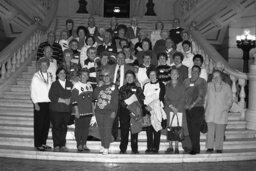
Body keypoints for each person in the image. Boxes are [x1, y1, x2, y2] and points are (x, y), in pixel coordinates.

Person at [205, 70, 233, 153]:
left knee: (220, 132)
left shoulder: (226, 86)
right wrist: (204, 109)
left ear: (221, 77)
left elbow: (230, 99)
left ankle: (219, 147)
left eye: (217, 76)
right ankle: (209, 147)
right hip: (210, 112)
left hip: (221, 112)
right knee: (210, 132)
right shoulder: (209, 85)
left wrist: (226, 107)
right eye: (214, 76)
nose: (215, 78)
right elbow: (205, 98)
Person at [93, 69, 119, 155]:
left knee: (107, 129)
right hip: (99, 111)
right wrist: (98, 87)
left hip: (109, 111)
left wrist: (114, 111)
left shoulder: (114, 86)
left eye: (107, 75)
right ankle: (103, 144)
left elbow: (116, 100)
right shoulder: (100, 86)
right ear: (102, 77)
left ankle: (106, 147)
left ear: (110, 77)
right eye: (104, 76)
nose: (106, 77)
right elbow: (94, 96)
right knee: (101, 129)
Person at [30, 57, 53, 151]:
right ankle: (38, 143)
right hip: (39, 103)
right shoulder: (36, 76)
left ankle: (43, 142)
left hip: (48, 103)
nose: (44, 66)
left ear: (48, 66)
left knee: (46, 125)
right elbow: (32, 90)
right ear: (40, 66)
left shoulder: (49, 75)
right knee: (39, 124)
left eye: (46, 65)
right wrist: (35, 103)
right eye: (42, 65)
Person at [119, 70, 144, 154]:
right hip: (124, 112)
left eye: (131, 77)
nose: (129, 78)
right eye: (127, 77)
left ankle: (134, 148)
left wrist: (135, 107)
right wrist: (127, 105)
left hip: (135, 112)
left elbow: (141, 100)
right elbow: (120, 100)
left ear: (134, 78)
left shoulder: (138, 88)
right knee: (124, 131)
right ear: (125, 78)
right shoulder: (122, 88)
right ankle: (123, 148)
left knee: (134, 131)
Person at [184, 65, 207, 155]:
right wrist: (185, 104)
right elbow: (183, 93)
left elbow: (201, 96)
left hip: (197, 108)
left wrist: (192, 105)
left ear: (200, 73)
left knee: (195, 129)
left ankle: (196, 149)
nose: (194, 73)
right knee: (189, 129)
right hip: (187, 109)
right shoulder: (186, 81)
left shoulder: (202, 81)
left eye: (196, 71)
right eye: (193, 71)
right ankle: (190, 147)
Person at [164, 68, 189, 154]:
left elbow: (183, 98)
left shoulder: (182, 86)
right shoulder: (167, 86)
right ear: (170, 75)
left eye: (175, 73)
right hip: (170, 109)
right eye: (172, 73)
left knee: (178, 128)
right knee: (170, 128)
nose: (174, 75)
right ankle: (170, 146)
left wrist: (177, 108)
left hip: (179, 109)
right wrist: (171, 107)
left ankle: (177, 147)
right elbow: (165, 98)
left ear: (178, 75)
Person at [48, 67, 73, 152]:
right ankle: (56, 145)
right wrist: (63, 100)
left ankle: (62, 145)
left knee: (64, 128)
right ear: (57, 75)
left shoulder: (70, 84)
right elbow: (51, 96)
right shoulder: (54, 84)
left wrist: (71, 99)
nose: (63, 74)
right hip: (56, 110)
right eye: (61, 73)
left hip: (66, 110)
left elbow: (74, 95)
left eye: (64, 73)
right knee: (56, 128)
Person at [143, 67, 167, 154]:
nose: (152, 76)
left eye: (154, 74)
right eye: (150, 74)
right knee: (149, 130)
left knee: (157, 129)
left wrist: (153, 105)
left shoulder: (161, 85)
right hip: (148, 109)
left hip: (157, 109)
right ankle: (149, 147)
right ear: (148, 75)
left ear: (157, 75)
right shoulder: (146, 85)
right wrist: (146, 107)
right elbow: (143, 98)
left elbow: (160, 98)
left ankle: (156, 147)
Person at [71, 68, 94, 152]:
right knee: (79, 128)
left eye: (86, 75)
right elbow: (74, 100)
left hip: (88, 111)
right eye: (83, 75)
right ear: (80, 76)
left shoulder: (89, 85)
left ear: (88, 76)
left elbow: (91, 99)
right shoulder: (76, 85)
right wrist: (76, 111)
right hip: (79, 111)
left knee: (86, 129)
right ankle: (79, 144)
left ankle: (84, 144)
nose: (84, 76)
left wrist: (93, 109)